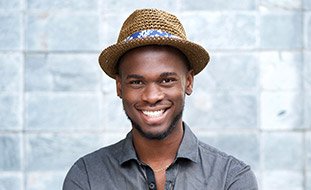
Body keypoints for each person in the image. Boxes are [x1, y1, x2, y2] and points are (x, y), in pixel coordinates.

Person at [63, 8, 258, 190]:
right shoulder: (86, 177)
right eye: (137, 83)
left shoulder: (230, 178)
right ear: (119, 87)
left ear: (188, 82)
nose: (151, 97)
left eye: (167, 80)